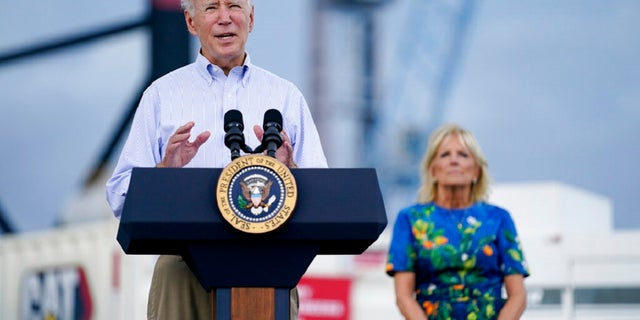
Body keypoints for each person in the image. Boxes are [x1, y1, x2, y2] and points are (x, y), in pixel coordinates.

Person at [105, 0, 328, 319]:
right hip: (182, 267)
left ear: (251, 18)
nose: (225, 18)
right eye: (211, 8)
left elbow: (325, 198)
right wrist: (164, 171)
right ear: (190, 22)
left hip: (269, 266)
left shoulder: (285, 96)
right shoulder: (161, 95)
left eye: (235, 6)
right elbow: (120, 197)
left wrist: (290, 170)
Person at [385, 123, 529, 320]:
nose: (454, 160)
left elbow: (518, 295)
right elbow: (403, 296)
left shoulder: (499, 218)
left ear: (477, 170)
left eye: (463, 154)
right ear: (432, 170)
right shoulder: (410, 219)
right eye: (444, 155)